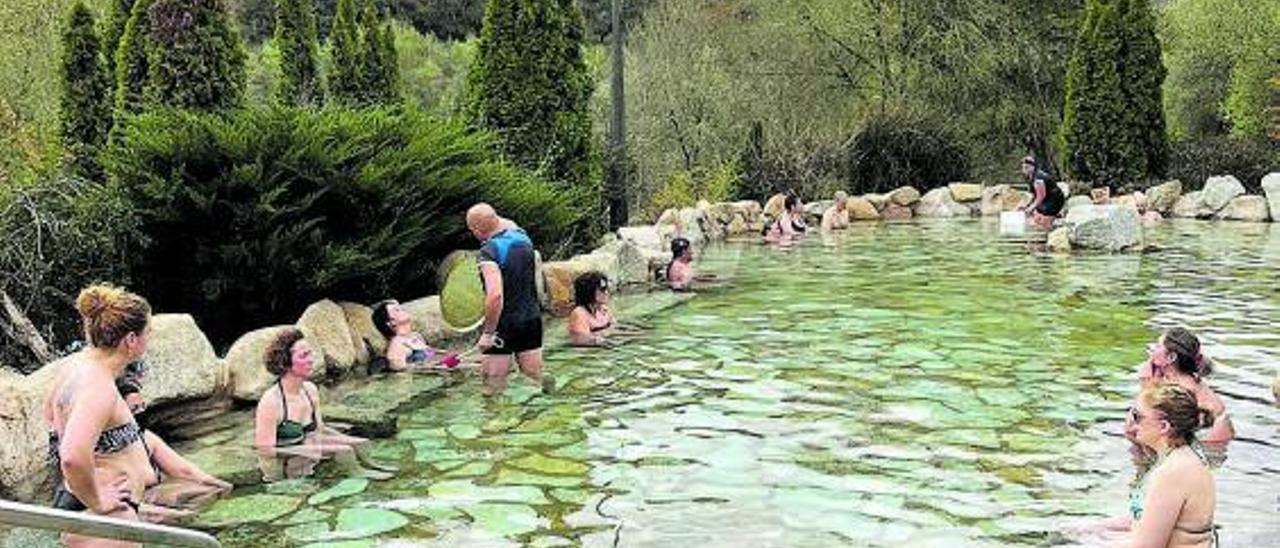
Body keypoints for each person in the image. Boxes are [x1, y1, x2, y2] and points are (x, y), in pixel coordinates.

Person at [41, 284, 152, 547]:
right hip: (103, 516)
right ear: (131, 340)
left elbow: (50, 415)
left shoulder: (74, 366)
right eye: (149, 332)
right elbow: (71, 456)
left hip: (87, 506)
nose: (150, 339)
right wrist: (99, 500)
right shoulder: (98, 386)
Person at [113, 371, 232, 523]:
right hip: (131, 510)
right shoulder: (108, 450)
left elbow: (184, 470)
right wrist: (180, 515)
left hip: (154, 498)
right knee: (173, 517)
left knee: (210, 490)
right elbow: (124, 504)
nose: (141, 413)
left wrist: (220, 484)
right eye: (134, 410)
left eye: (143, 406)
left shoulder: (145, 438)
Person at [253, 329, 368, 482]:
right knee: (344, 451)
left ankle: (371, 468)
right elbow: (265, 450)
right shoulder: (271, 402)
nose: (311, 359)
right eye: (303, 356)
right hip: (289, 465)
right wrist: (309, 450)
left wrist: (347, 439)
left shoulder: (310, 390)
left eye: (310, 353)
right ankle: (360, 476)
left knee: (361, 443)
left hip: (309, 453)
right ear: (285, 362)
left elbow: (318, 430)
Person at [466, 203, 554, 395]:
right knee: (535, 377)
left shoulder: (489, 251)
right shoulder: (522, 237)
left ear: (477, 230)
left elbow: (495, 295)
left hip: (504, 325)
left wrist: (488, 333)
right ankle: (548, 409)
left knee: (492, 385)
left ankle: (495, 424)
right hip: (531, 319)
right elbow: (505, 222)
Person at [1120, 383, 1218, 547]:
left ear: (1163, 427)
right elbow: (1145, 520)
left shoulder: (1173, 472)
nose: (1131, 422)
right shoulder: (1182, 457)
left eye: (1137, 416)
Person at [1137, 328, 1234, 447]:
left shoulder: (1179, 389)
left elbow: (1141, 416)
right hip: (1215, 436)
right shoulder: (1188, 380)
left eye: (1157, 346)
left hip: (1207, 442)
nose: (1152, 348)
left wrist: (1145, 384)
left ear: (1171, 357)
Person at [370, 299, 460, 372]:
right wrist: (430, 367)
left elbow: (430, 352)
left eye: (400, 307)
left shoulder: (415, 336)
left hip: (436, 372)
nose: (403, 309)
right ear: (390, 323)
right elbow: (396, 366)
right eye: (397, 310)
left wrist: (450, 355)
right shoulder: (397, 342)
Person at [567, 272, 616, 347]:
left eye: (606, 288)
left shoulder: (604, 309)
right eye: (602, 289)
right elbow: (581, 340)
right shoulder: (580, 314)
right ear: (589, 291)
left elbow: (614, 326)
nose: (606, 292)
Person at [1018, 156, 1065, 229]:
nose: (1024, 170)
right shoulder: (1031, 177)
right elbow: (1035, 195)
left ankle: (1049, 233)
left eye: (1027, 167)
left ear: (1033, 167)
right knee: (1037, 218)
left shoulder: (1038, 178)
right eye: (1023, 168)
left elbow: (1041, 196)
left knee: (1044, 222)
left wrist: (1031, 208)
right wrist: (1027, 205)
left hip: (1054, 200)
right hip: (1047, 199)